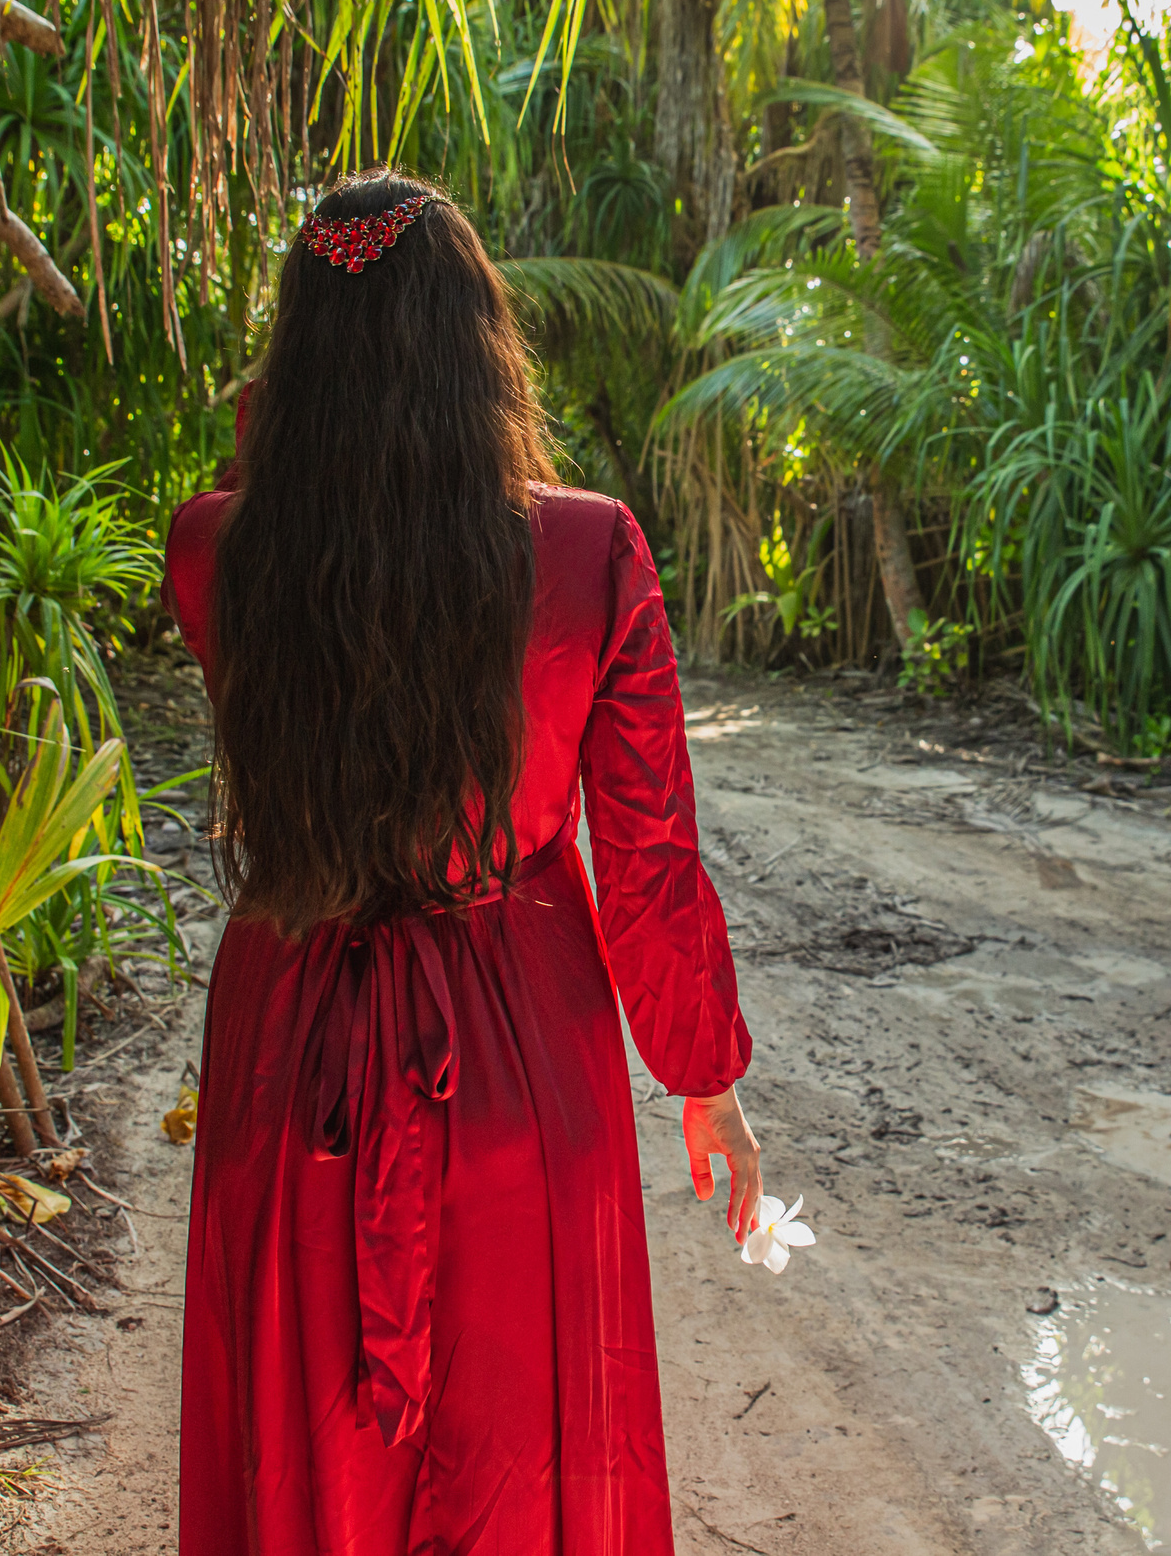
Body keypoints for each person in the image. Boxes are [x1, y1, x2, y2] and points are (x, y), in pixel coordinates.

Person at [164, 170, 763, 1555]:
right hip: (517, 1065)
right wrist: (703, 1077)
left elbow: (264, 481)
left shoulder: (215, 551)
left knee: (309, 1469)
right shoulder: (586, 549)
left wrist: (303, 412)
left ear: (296, 353)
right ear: (479, 343)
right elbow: (651, 858)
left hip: (291, 1052)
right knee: (528, 1471)